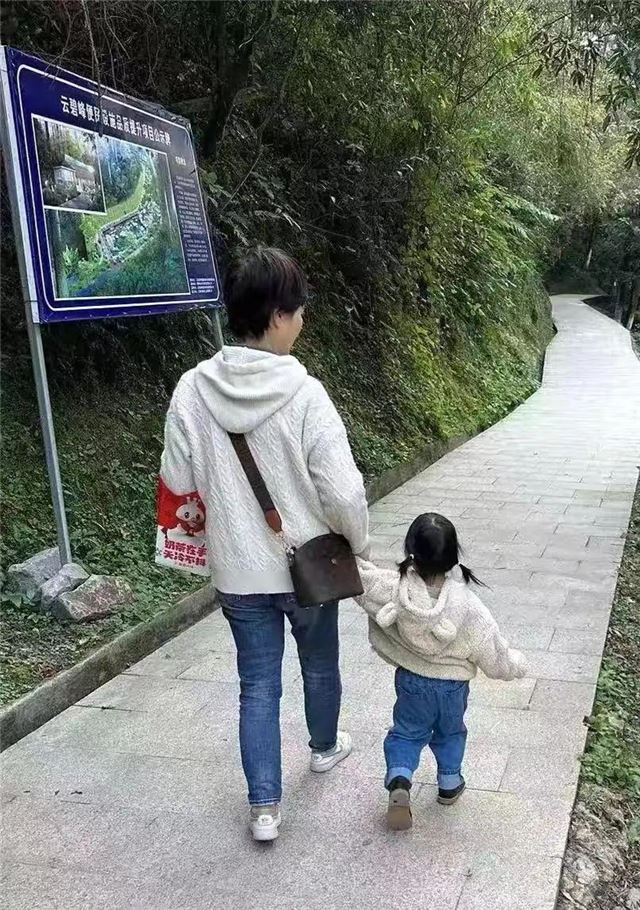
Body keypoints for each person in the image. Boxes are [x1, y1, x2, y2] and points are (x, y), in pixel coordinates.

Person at [160, 248, 369, 841]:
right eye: (298, 310)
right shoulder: (306, 394)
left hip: (238, 571)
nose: (302, 319)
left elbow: (178, 480)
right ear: (277, 315)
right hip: (308, 570)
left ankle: (265, 809)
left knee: (257, 683)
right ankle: (324, 748)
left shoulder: (191, 391)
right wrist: (356, 542)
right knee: (319, 662)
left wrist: (208, 539)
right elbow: (343, 491)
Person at [355, 512, 526, 830]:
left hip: (411, 681)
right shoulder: (469, 606)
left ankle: (400, 780)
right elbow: (492, 651)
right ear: (453, 557)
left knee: (406, 733)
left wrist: (343, 550)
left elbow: (363, 582)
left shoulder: (395, 589)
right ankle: (449, 782)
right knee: (451, 732)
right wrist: (515, 665)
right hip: (452, 687)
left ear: (410, 550)